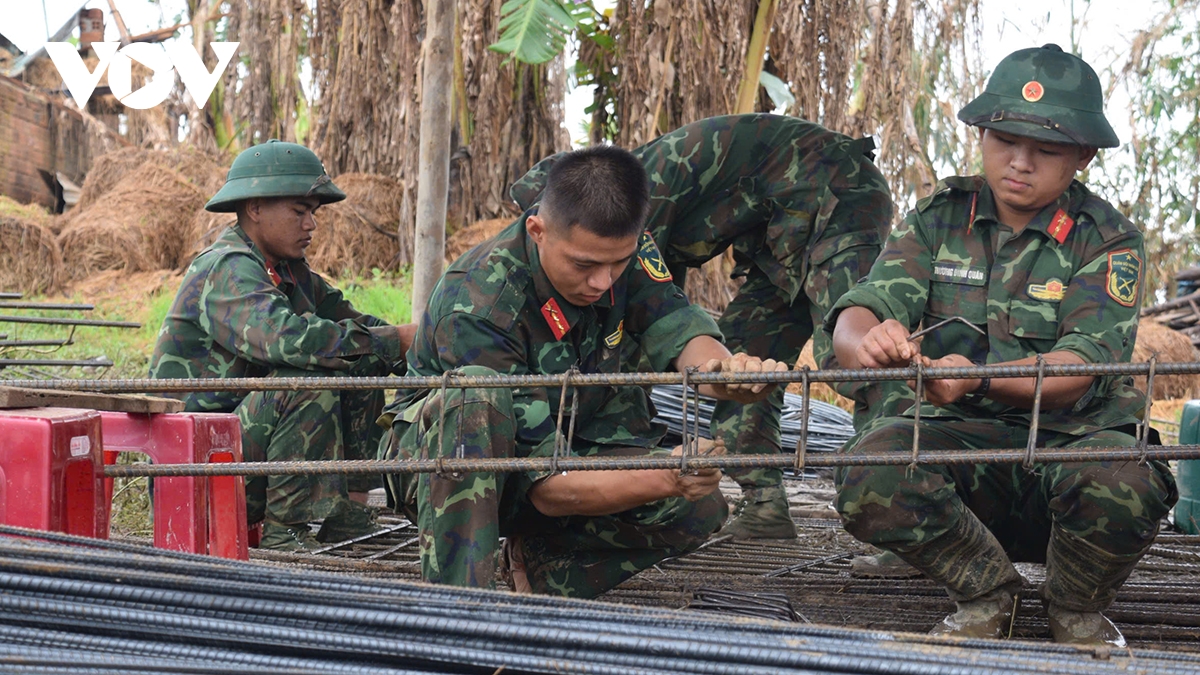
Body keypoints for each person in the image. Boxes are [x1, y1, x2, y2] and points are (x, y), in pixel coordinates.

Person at [827, 45, 1177, 646]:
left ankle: (1075, 607)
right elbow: (860, 313)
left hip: (1068, 446)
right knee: (871, 470)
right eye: (1002, 140)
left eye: (1045, 150)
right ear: (983, 133)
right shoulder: (939, 218)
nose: (1019, 163)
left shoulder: (1108, 240)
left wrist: (980, 378)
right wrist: (870, 339)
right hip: (959, 447)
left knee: (1129, 478)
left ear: (1084, 155)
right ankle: (987, 593)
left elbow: (1079, 370)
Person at [378, 145, 786, 597]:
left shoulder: (619, 253)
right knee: (476, 401)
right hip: (454, 464)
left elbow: (678, 330)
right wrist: (667, 474)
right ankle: (462, 608)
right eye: (584, 265)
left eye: (619, 262)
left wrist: (726, 374)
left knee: (698, 508)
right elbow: (547, 487)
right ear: (537, 230)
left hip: (568, 447)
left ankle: (540, 571)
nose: (603, 282)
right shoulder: (479, 300)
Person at [509, 113, 899, 540]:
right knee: (741, 362)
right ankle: (765, 507)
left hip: (838, 194)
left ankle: (904, 511)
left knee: (860, 352)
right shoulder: (610, 224)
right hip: (776, 236)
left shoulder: (629, 202)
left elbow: (646, 323)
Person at [149, 140, 415, 552]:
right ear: (255, 208)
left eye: (313, 212)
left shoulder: (290, 271)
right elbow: (287, 341)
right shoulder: (228, 269)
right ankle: (285, 533)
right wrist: (392, 340)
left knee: (360, 357)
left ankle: (348, 512)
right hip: (200, 465)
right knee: (306, 378)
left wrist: (416, 345)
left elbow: (354, 326)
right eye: (299, 211)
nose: (311, 224)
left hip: (247, 454)